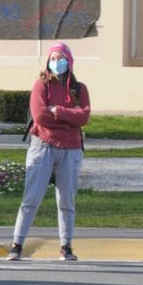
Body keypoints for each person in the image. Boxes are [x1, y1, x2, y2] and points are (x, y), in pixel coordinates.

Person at [8, 43, 90, 262]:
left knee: (66, 201)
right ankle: (17, 245)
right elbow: (40, 116)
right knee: (31, 198)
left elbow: (84, 116)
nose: (56, 62)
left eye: (60, 57)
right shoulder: (41, 86)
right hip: (42, 146)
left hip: (71, 149)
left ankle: (66, 247)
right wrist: (67, 118)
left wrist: (59, 112)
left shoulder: (79, 89)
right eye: (52, 58)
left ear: (69, 62)